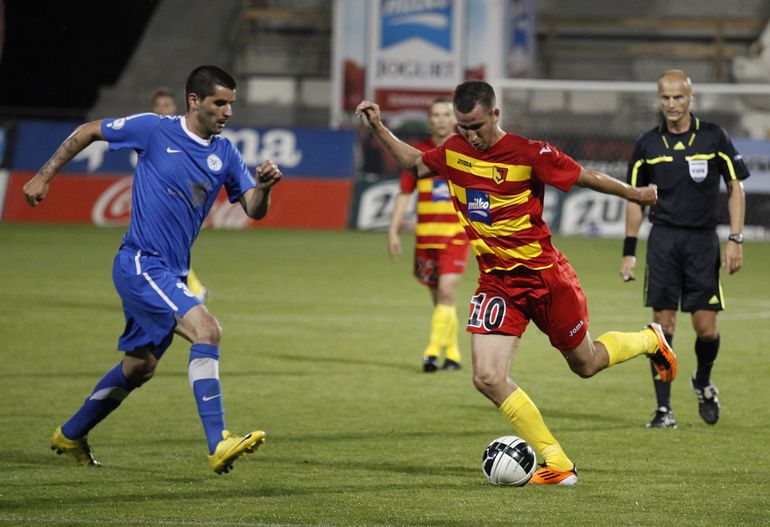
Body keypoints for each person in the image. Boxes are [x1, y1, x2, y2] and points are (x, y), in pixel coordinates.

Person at [356, 80, 677, 486]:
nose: (469, 134)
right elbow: (417, 165)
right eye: (462, 126)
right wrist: (379, 129)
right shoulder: (454, 152)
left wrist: (636, 194)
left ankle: (651, 340)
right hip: (496, 283)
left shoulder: (529, 153)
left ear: (495, 114)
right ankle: (556, 460)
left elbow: (585, 176)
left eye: (475, 125)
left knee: (586, 364)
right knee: (487, 376)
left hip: (546, 278)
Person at [24, 65, 282, 474]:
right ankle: (218, 442)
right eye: (220, 103)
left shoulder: (226, 153)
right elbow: (90, 130)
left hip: (171, 272)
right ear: (195, 101)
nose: (228, 112)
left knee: (140, 366)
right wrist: (43, 176)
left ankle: (70, 434)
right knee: (207, 330)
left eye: (231, 104)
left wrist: (264, 187)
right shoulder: (154, 130)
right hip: (142, 262)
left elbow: (253, 208)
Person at [620, 69, 749, 429]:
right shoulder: (647, 143)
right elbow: (634, 200)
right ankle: (664, 409)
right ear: (658, 99)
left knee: (706, 328)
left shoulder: (713, 137)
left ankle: (703, 380)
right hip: (663, 240)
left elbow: (735, 187)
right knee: (663, 325)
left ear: (691, 98)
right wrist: (629, 250)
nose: (672, 104)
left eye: (679, 97)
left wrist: (735, 239)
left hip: (702, 241)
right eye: (666, 98)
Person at [387, 98, 470, 372]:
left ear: (455, 118)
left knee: (447, 290)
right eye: (436, 114)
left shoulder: (466, 151)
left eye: (446, 114)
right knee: (440, 299)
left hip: (456, 236)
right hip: (426, 237)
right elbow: (404, 192)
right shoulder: (418, 153)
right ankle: (454, 354)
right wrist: (393, 229)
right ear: (429, 118)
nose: (441, 119)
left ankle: (432, 352)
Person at [150, 87, 209, 304]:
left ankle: (192, 289)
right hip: (158, 203)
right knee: (166, 249)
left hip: (179, 202)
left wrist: (197, 202)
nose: (163, 109)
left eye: (167, 105)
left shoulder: (185, 132)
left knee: (170, 249)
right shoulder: (149, 133)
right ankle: (191, 289)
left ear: (175, 107)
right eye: (159, 105)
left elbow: (198, 171)